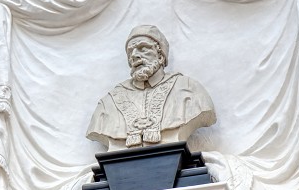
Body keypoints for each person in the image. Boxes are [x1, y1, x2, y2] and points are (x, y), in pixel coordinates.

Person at [86, 24, 216, 149]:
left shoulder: (189, 89)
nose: (134, 56)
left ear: (160, 56)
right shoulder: (109, 102)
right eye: (130, 51)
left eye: (143, 48)